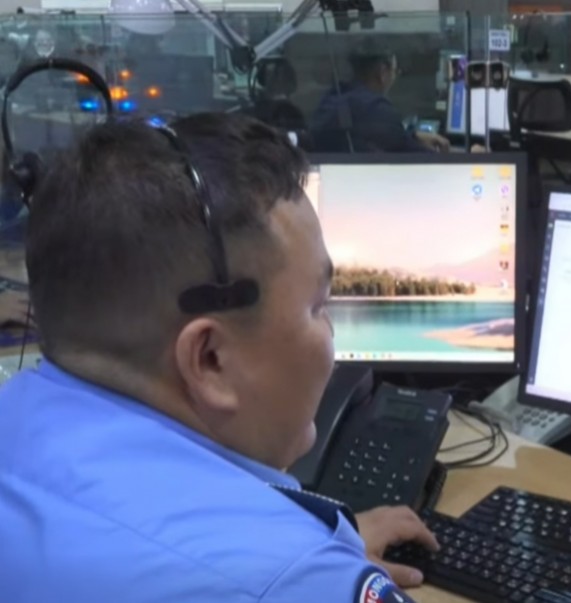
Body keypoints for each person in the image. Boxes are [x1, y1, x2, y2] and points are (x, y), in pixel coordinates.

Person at [0, 113, 438, 602]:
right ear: (210, 360)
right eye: (318, 306)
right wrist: (316, 562)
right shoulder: (299, 577)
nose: (330, 333)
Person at [310, 38, 450, 153]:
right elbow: (411, 153)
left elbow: (389, 138)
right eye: (395, 71)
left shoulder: (333, 97)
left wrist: (414, 136)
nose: (394, 77)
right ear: (383, 72)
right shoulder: (376, 108)